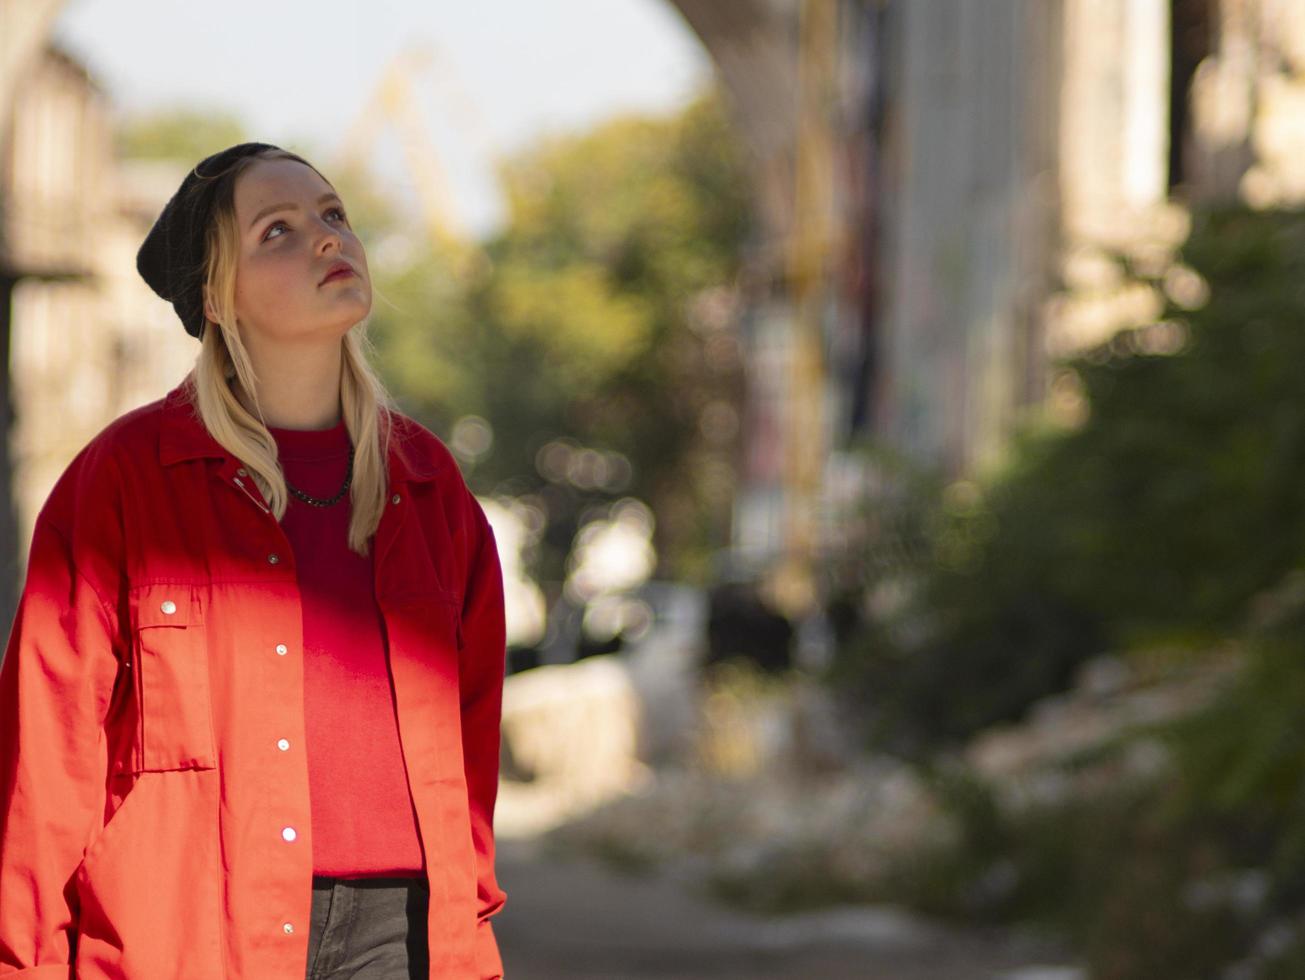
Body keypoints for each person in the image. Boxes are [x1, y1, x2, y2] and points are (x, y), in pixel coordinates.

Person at [0, 142, 508, 978]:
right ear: (215, 294)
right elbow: (47, 759)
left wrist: (467, 893)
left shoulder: (427, 485)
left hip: (404, 936)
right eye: (278, 230)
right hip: (191, 938)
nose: (324, 237)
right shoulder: (123, 482)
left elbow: (473, 718)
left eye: (333, 214)